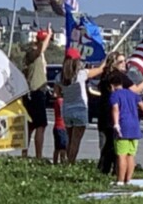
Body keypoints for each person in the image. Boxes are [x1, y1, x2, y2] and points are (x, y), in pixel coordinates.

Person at [110, 72, 143, 186]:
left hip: (123, 127)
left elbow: (115, 109)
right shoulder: (133, 94)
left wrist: (115, 124)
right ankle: (128, 180)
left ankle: (119, 180)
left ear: (112, 85)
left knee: (121, 155)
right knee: (131, 155)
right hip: (135, 127)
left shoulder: (115, 95)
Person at [60, 48, 107, 164]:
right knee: (76, 140)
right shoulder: (81, 74)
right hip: (80, 109)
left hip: (66, 109)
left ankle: (66, 159)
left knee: (69, 139)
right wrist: (106, 60)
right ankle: (71, 162)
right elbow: (100, 69)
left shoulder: (60, 77)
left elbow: (57, 93)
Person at [22, 26, 53, 159]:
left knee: (32, 125)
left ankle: (27, 153)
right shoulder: (33, 53)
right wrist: (49, 35)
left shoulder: (39, 55)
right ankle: (37, 155)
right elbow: (40, 50)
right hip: (34, 92)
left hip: (37, 92)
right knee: (39, 125)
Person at [97, 53, 129, 175]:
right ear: (114, 63)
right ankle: (113, 169)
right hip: (112, 115)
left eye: (125, 61)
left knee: (108, 144)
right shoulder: (117, 76)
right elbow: (134, 89)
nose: (124, 63)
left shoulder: (105, 75)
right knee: (113, 144)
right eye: (121, 61)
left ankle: (106, 169)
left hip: (105, 115)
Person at [51, 83, 68, 165]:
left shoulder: (58, 101)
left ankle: (55, 162)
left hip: (57, 127)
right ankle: (62, 162)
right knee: (62, 148)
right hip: (61, 127)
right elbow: (63, 112)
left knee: (57, 147)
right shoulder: (60, 101)